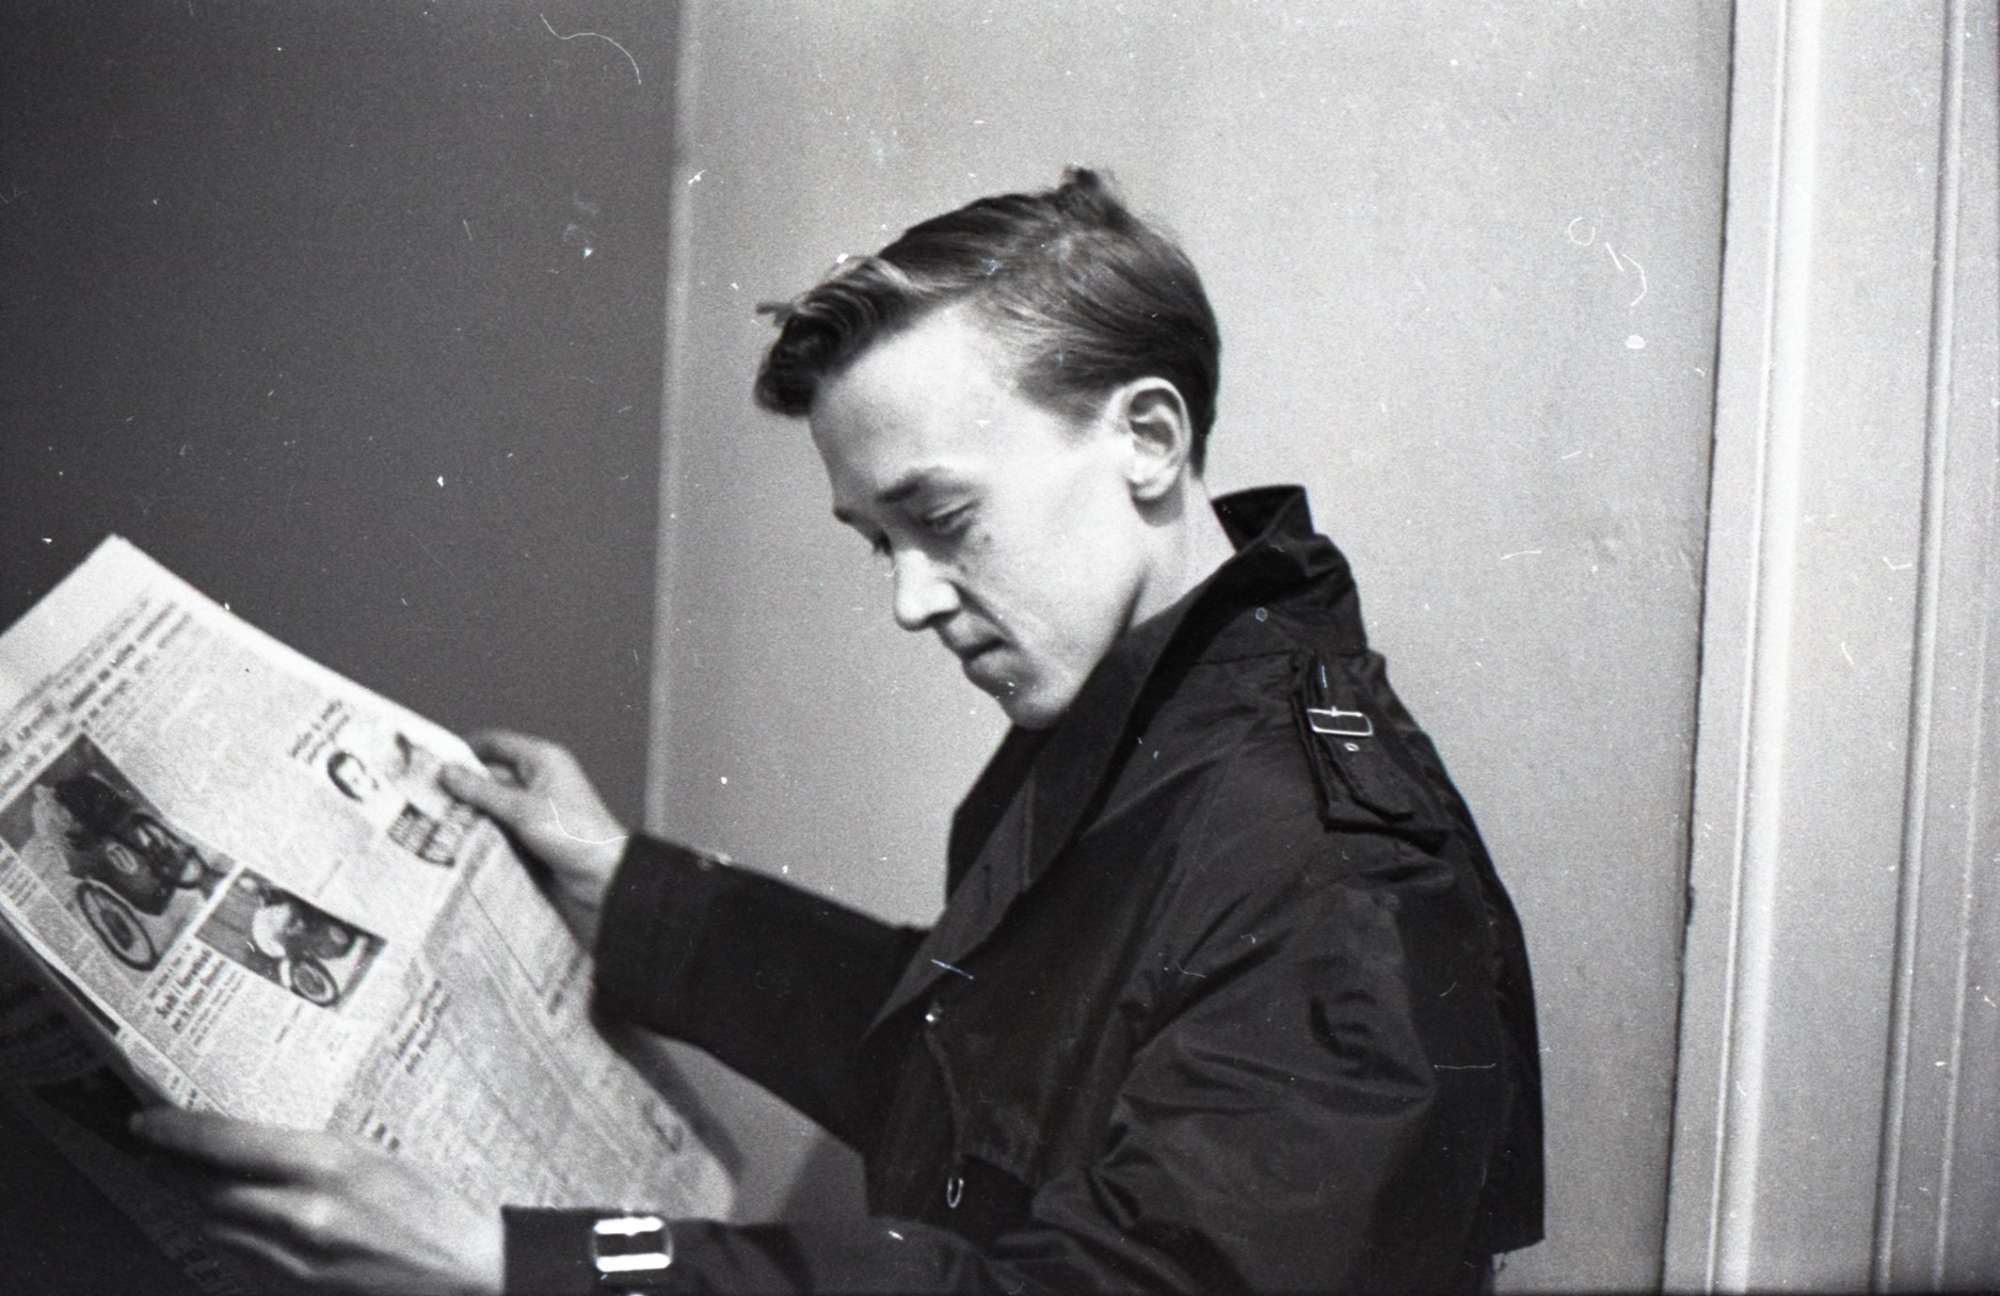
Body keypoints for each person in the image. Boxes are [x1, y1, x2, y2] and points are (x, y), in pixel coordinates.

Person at [134, 169, 1544, 1293]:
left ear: (1149, 440)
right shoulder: (1148, 708)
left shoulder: (1333, 872)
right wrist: (626, 888)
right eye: (879, 542)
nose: (910, 601)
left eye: (942, 519)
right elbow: (975, 1063)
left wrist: (522, 1268)